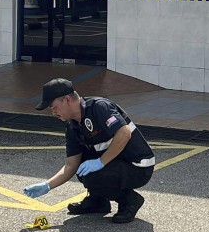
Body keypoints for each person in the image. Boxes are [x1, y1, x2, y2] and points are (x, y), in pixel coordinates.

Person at [23, 78, 155, 224]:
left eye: (54, 107)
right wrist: (47, 185)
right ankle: (98, 201)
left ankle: (130, 200)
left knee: (94, 174)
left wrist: (100, 162)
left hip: (137, 166)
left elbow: (124, 133)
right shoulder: (72, 127)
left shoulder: (99, 107)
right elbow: (71, 165)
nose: (53, 113)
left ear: (67, 100)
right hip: (117, 163)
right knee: (82, 167)